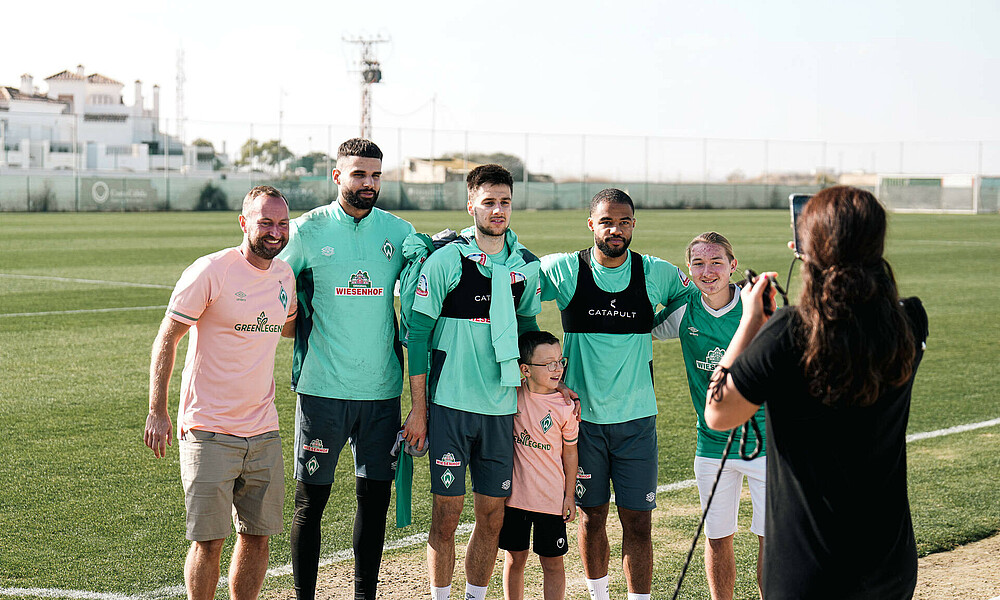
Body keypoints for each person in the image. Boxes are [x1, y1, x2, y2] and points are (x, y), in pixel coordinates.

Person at [705, 186, 928, 600]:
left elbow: (718, 412)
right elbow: (866, 313)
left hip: (807, 571)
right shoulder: (910, 322)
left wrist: (750, 321)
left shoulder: (788, 333)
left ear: (808, 248)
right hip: (890, 565)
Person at [277, 138, 415, 600]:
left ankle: (364, 597)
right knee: (310, 502)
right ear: (337, 176)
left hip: (380, 392)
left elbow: (424, 295)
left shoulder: (399, 233)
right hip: (322, 389)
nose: (369, 183)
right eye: (359, 174)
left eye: (376, 175)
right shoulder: (307, 231)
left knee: (374, 503)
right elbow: (272, 288)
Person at [144, 185, 297, 600]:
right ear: (244, 223)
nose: (275, 231)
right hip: (208, 431)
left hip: (264, 431)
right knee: (208, 542)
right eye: (265, 222)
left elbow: (289, 327)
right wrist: (157, 410)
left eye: (282, 223)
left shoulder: (285, 276)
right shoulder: (211, 270)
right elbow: (167, 338)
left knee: (258, 538)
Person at [538, 188, 692, 600]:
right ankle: (599, 596)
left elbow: (691, 297)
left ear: (633, 224)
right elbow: (516, 284)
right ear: (591, 224)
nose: (616, 229)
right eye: (606, 221)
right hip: (582, 423)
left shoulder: (655, 272)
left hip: (637, 420)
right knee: (592, 517)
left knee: (639, 523)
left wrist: (656, 326)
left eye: (624, 222)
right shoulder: (566, 269)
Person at [402, 164, 544, 600]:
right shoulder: (447, 260)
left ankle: (474, 597)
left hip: (501, 410)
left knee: (492, 517)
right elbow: (419, 336)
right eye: (489, 202)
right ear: (471, 205)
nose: (497, 210)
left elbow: (529, 335)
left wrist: (550, 390)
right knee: (446, 516)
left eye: (504, 202)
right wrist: (420, 409)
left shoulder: (526, 268)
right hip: (449, 407)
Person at [651, 232, 766, 600]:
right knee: (717, 537)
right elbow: (635, 329)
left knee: (772, 538)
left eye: (716, 261)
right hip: (711, 444)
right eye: (698, 263)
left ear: (733, 265)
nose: (708, 270)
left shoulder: (759, 308)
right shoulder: (684, 308)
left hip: (764, 445)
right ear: (689, 269)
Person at [500, 331, 579, 600]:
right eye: (548, 364)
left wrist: (569, 495)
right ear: (525, 370)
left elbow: (570, 454)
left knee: (553, 564)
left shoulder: (566, 406)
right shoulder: (511, 396)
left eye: (560, 361)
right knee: (515, 559)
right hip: (515, 500)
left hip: (551, 501)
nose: (557, 369)